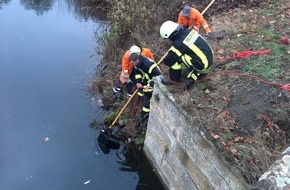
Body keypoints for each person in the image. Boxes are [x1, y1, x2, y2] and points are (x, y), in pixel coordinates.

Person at [159, 20, 213, 90]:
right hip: (210, 57)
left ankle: (174, 79)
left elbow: (168, 61)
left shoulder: (179, 43)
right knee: (181, 54)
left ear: (171, 35)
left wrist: (172, 52)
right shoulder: (187, 31)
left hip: (203, 65)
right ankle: (197, 72)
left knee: (175, 59)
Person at [128, 53, 161, 122]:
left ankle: (145, 114)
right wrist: (138, 82)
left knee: (147, 96)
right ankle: (140, 105)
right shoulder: (137, 64)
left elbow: (158, 74)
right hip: (147, 78)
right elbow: (137, 73)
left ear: (137, 60)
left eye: (133, 63)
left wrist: (151, 83)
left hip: (154, 80)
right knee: (141, 91)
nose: (133, 65)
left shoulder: (148, 64)